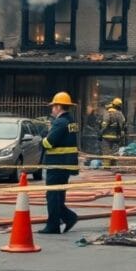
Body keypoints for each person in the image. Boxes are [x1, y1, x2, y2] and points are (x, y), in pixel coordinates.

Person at [39, 91, 80, 234]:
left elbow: (49, 143)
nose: (52, 109)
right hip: (66, 164)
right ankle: (63, 220)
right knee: (58, 195)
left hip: (57, 164)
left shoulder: (60, 122)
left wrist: (43, 138)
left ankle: (59, 222)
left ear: (58, 107)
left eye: (53, 106)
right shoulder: (70, 121)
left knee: (52, 195)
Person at [99, 98, 127, 164]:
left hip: (106, 136)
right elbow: (123, 124)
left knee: (106, 152)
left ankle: (106, 166)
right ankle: (114, 165)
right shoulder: (120, 114)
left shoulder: (107, 113)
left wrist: (100, 132)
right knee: (115, 151)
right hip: (116, 136)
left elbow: (104, 125)